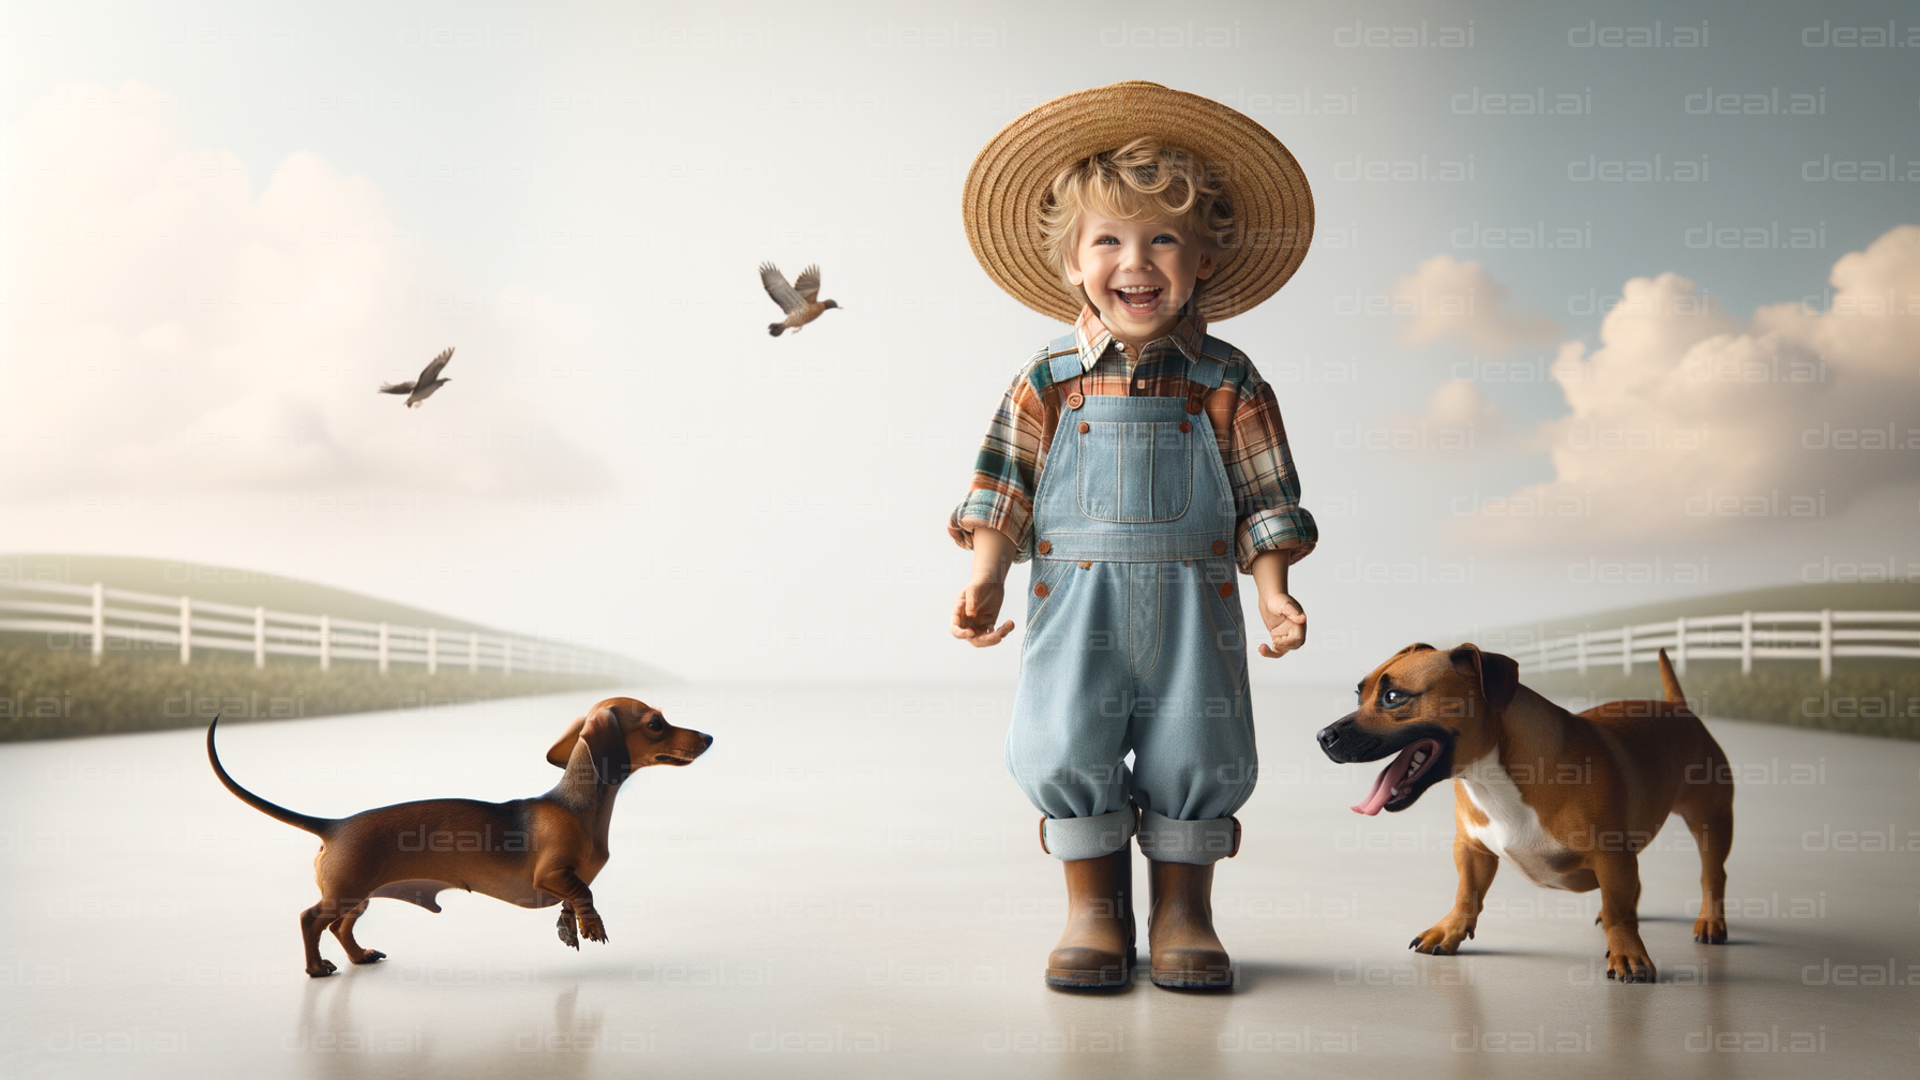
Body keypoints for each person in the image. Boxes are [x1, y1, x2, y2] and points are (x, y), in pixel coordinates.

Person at [948, 82, 1318, 990]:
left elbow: (1265, 498)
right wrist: (989, 575)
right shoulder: (1049, 377)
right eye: (1108, 239)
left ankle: (1185, 914)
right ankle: (1094, 913)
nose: (1135, 260)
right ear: (1073, 262)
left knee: (1199, 745)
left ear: (1199, 262)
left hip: (1198, 601)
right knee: (1063, 741)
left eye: (1162, 239)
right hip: (1074, 602)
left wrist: (1273, 591)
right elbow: (1004, 484)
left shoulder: (1227, 378)